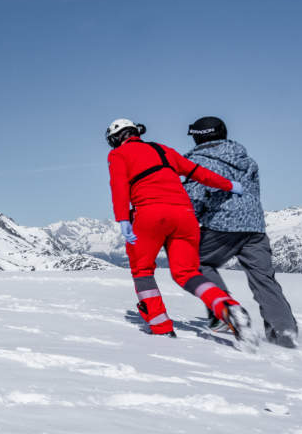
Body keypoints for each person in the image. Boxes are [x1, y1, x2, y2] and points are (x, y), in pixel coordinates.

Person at [105, 118, 257, 342]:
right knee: (187, 272)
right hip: (184, 216)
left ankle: (160, 326)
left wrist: (122, 219)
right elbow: (199, 173)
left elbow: (119, 185)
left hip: (150, 214)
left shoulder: (118, 154)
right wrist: (230, 185)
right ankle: (226, 305)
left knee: (142, 270)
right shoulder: (163, 150)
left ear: (116, 139)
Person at [184, 116, 298, 348]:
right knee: (264, 280)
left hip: (221, 225)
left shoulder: (198, 162)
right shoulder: (245, 159)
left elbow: (193, 197)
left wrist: (187, 219)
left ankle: (224, 310)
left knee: (193, 261)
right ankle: (284, 332)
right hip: (254, 226)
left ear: (197, 137)